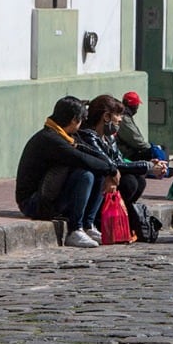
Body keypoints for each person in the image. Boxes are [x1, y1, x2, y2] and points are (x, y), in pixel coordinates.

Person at [15, 97, 119, 248]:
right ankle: (75, 229)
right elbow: (80, 158)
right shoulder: (50, 139)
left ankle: (87, 225)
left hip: (51, 197)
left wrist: (110, 169)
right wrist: (111, 170)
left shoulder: (68, 136)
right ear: (74, 120)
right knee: (85, 175)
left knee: (98, 172)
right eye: (81, 120)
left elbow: (90, 152)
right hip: (33, 203)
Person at [74, 95, 168, 235]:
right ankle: (95, 221)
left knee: (139, 180)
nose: (120, 119)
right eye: (117, 115)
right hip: (97, 179)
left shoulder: (109, 138)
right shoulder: (88, 136)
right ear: (106, 117)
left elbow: (120, 161)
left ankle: (120, 220)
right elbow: (110, 163)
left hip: (110, 174)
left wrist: (150, 166)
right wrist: (148, 166)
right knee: (128, 182)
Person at [114, 91, 155, 162]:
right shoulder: (124, 118)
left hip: (128, 151)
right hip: (127, 154)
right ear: (134, 106)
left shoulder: (127, 116)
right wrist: (152, 148)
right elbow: (136, 141)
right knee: (155, 152)